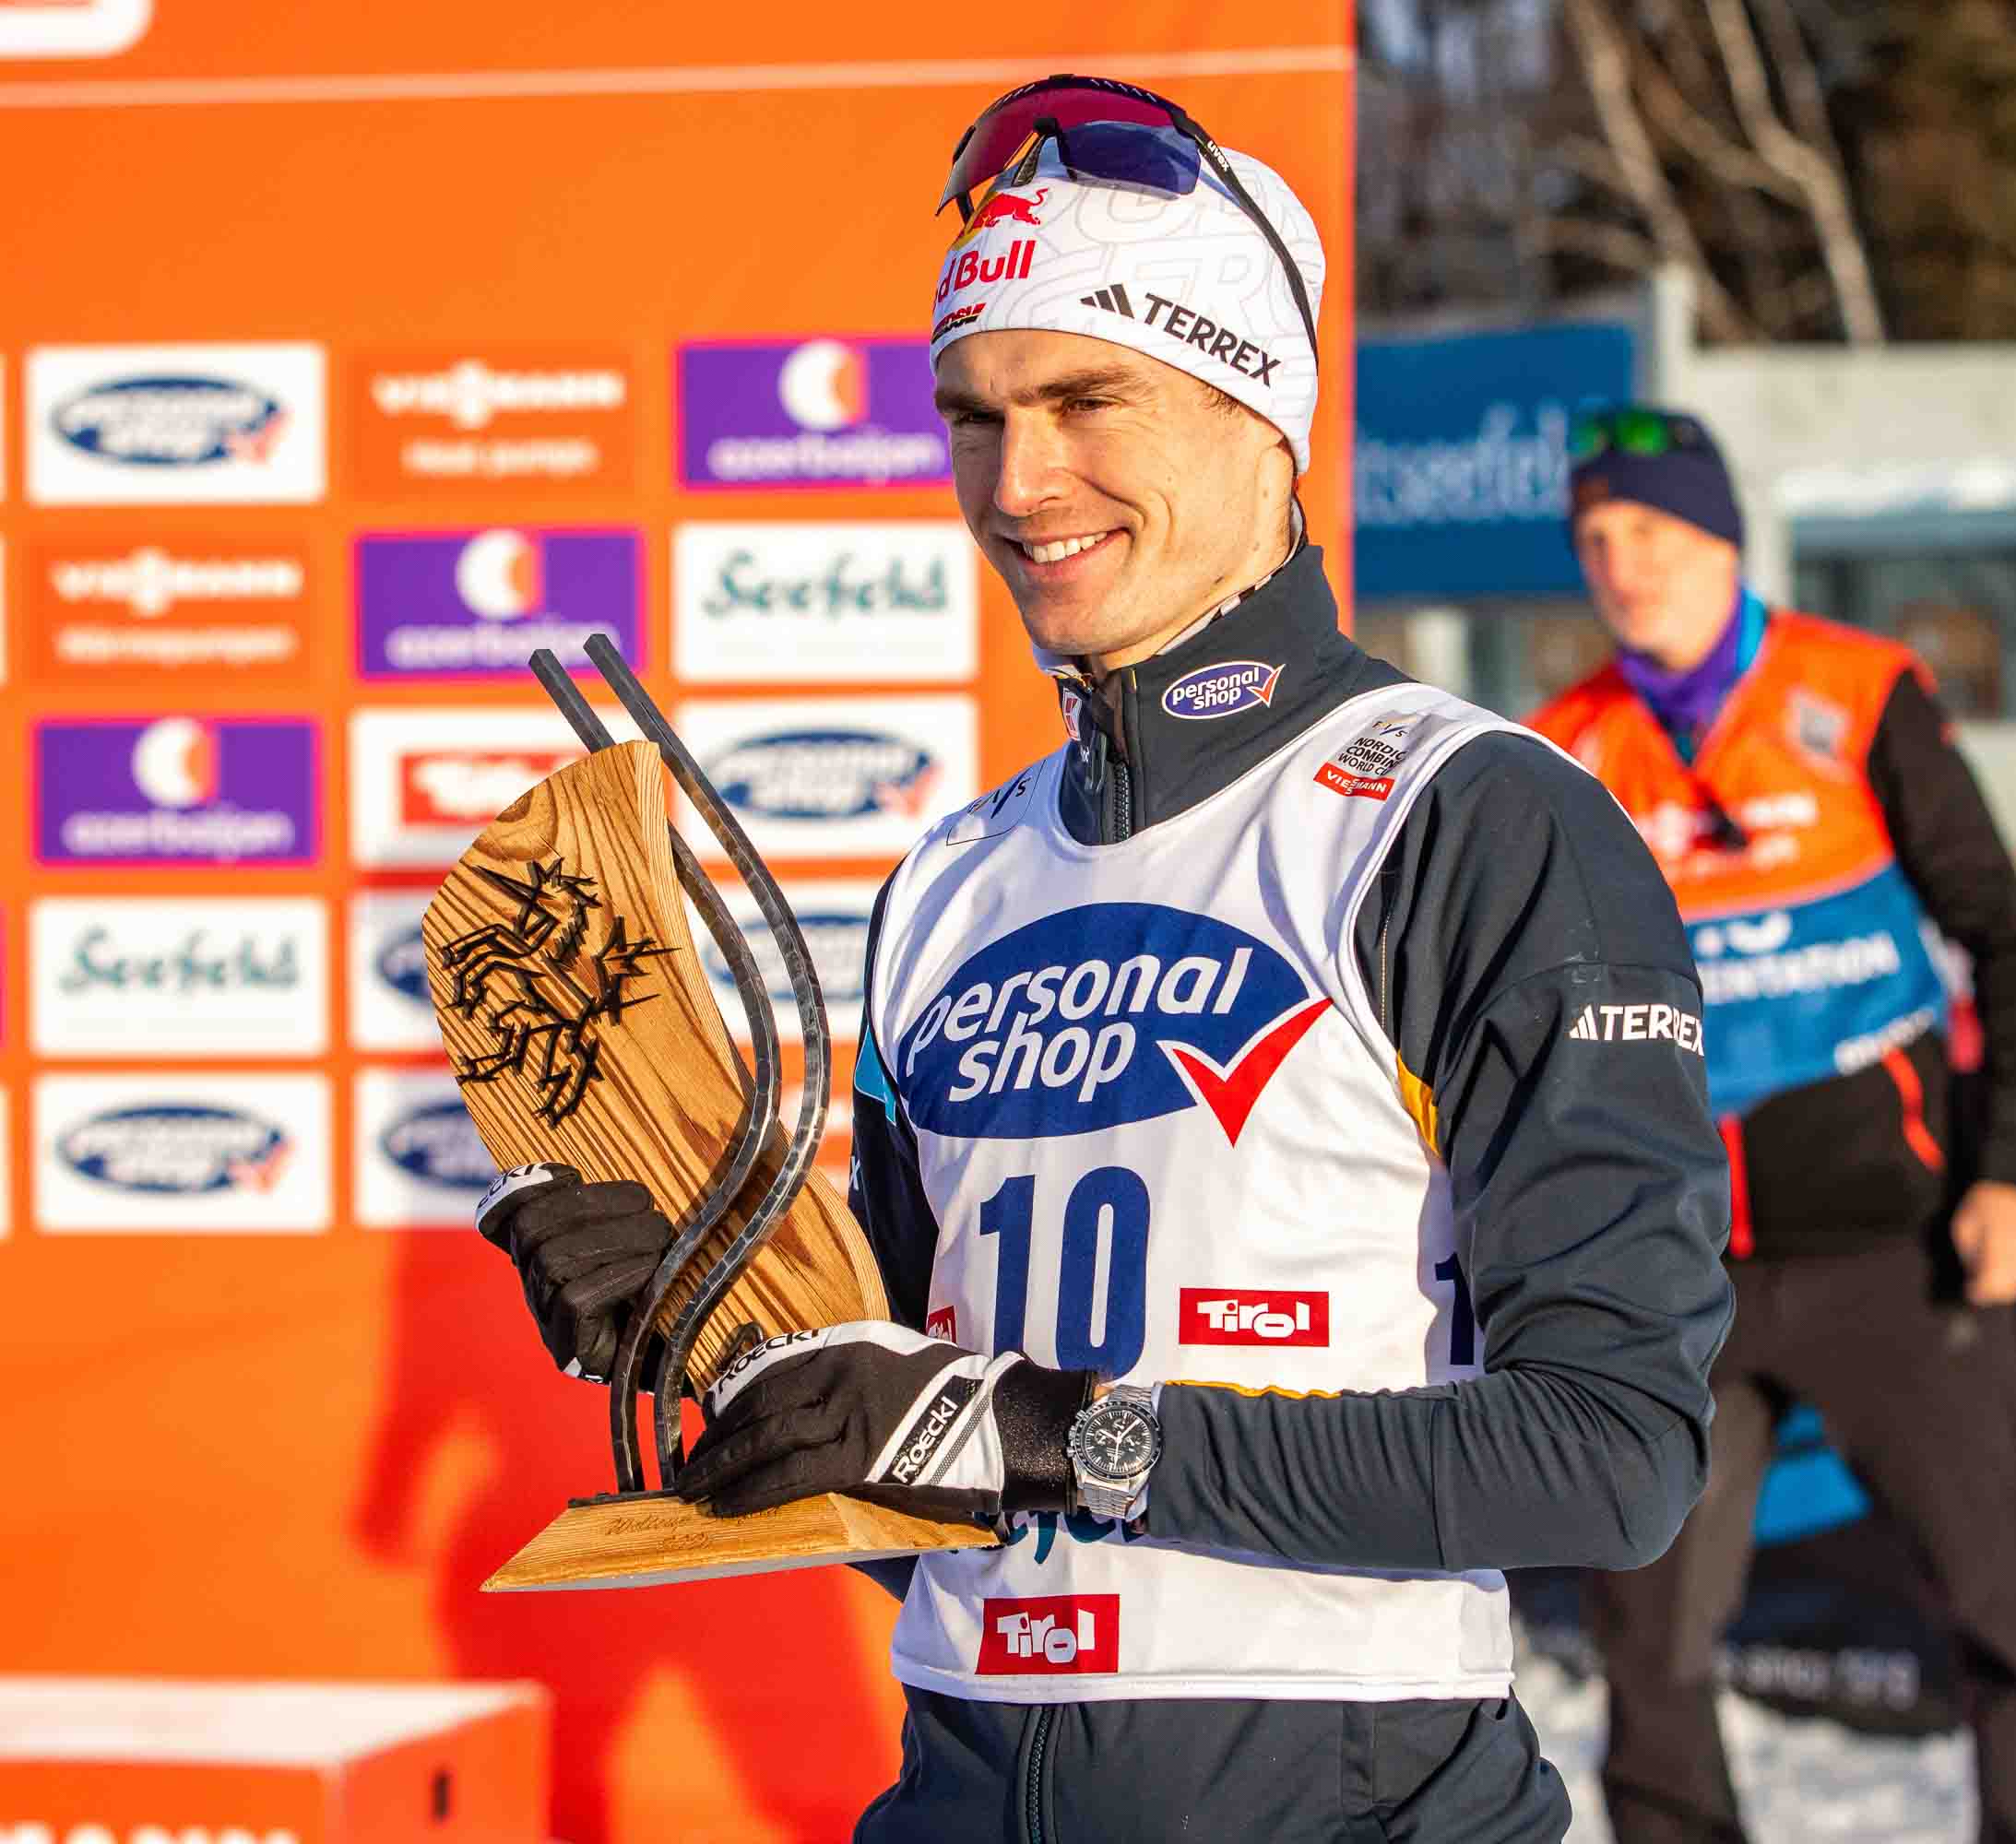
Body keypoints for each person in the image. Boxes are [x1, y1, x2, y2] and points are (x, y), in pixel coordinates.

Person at [474, 79, 1732, 1842]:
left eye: (1085, 400)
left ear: (1260, 414)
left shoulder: (1467, 818)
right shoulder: (954, 880)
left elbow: (1610, 1455)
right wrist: (715, 1339)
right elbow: (903, 1465)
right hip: (962, 1788)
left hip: (1350, 1803)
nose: (1019, 481)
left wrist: (1048, 1435)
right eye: (975, 416)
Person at [1523, 407, 2016, 1843]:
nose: (1624, 564)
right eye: (1597, 538)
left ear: (1723, 539)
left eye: (1652, 529)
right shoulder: (1564, 746)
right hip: (1677, 1271)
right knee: (1650, 1640)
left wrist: (2007, 1178)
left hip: (1893, 1246)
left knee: (1999, 1607)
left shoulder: (1859, 690)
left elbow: (2007, 943)